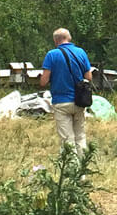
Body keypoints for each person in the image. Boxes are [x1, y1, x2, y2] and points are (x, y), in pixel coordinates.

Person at [39, 27, 93, 155]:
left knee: (67, 140)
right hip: (79, 101)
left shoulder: (51, 55)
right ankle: (82, 173)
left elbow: (43, 81)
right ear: (69, 38)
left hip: (61, 102)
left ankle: (71, 171)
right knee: (80, 137)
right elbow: (89, 77)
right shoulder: (81, 52)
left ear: (55, 40)